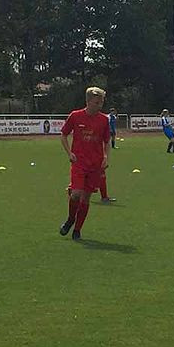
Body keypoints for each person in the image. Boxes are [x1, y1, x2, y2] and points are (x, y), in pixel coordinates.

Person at [59, 87, 112, 241]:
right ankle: (70, 220)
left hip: (95, 165)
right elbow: (63, 135)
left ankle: (77, 230)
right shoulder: (75, 116)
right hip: (79, 163)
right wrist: (70, 153)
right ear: (88, 102)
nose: (100, 105)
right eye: (97, 102)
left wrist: (106, 157)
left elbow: (107, 141)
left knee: (86, 198)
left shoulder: (104, 120)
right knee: (75, 193)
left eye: (101, 102)